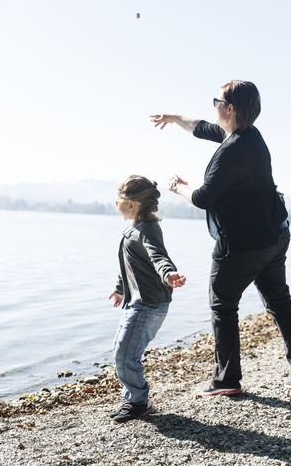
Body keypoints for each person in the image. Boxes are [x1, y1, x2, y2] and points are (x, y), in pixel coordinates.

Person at [150, 80, 291, 397]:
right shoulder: (247, 136)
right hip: (275, 235)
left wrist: (177, 187)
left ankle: (226, 380)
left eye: (216, 101)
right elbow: (201, 127)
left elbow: (203, 197)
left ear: (229, 108)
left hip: (244, 243)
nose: (213, 106)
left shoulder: (230, 152)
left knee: (222, 303)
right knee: (280, 301)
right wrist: (174, 117)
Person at [107, 175, 187, 424]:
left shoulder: (148, 229)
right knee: (122, 351)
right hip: (136, 302)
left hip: (149, 304)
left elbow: (158, 257)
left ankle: (138, 401)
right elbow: (128, 264)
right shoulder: (132, 229)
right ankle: (135, 398)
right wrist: (121, 288)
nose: (114, 203)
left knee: (125, 353)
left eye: (118, 199)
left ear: (131, 204)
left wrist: (169, 274)